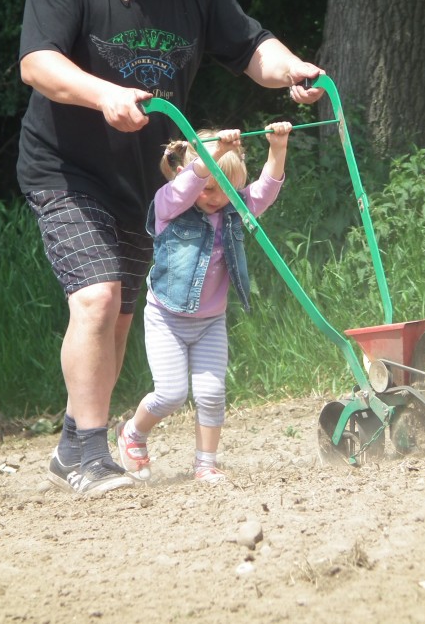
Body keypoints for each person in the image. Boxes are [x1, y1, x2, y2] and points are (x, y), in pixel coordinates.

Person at [17, 0, 325, 497]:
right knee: (97, 299)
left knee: (123, 315)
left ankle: (75, 439)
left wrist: (292, 69)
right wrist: (104, 94)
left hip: (145, 183)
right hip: (67, 171)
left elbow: (253, 48)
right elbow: (36, 63)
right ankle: (86, 453)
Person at [116, 121, 293, 484]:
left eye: (225, 191)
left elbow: (266, 190)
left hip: (211, 321)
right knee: (170, 394)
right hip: (166, 318)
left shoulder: (233, 207)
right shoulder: (171, 205)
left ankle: (205, 463)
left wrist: (278, 147)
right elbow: (188, 187)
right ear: (191, 176)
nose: (215, 198)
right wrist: (211, 157)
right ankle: (133, 433)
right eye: (208, 188)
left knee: (212, 393)